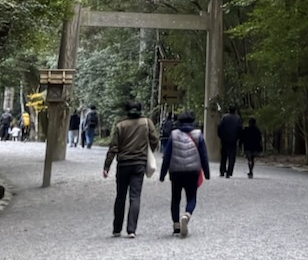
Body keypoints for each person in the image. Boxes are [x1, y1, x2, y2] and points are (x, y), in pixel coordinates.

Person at [103, 100, 158, 237]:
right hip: (139, 163)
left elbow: (113, 147)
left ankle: (117, 229)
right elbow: (155, 139)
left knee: (120, 196)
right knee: (135, 196)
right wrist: (147, 151)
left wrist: (107, 166)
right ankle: (131, 229)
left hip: (123, 164)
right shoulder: (146, 123)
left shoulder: (120, 125)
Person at [167, 109, 210, 237]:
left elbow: (167, 155)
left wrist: (163, 173)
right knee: (191, 197)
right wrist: (207, 172)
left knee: (175, 198)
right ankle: (187, 215)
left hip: (176, 171)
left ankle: (176, 225)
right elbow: (203, 155)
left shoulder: (174, 134)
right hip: (193, 171)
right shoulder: (198, 134)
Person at [217, 106, 243, 177]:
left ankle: (222, 170)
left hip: (224, 139)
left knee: (223, 156)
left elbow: (219, 127)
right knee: (232, 156)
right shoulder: (238, 118)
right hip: (233, 139)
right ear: (235, 110)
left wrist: (220, 136)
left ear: (229, 110)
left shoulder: (224, 117)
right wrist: (239, 138)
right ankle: (229, 172)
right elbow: (240, 129)